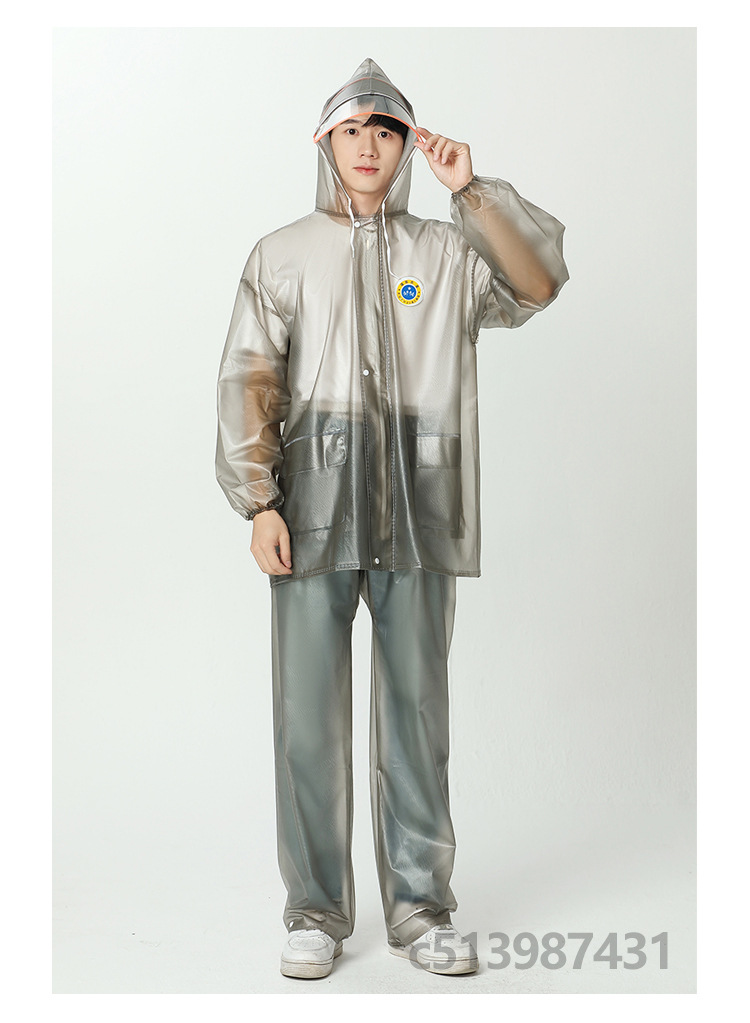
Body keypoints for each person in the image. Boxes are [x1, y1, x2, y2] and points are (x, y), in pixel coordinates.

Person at [215, 58, 569, 980]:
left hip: (419, 504)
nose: (368, 146)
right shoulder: (281, 254)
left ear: (408, 146)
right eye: (352, 130)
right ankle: (314, 911)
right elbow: (251, 379)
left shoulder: (447, 252)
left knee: (416, 712)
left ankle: (420, 908)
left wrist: (472, 194)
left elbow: (537, 283)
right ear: (324, 143)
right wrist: (259, 502)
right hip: (313, 504)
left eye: (386, 131)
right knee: (307, 717)